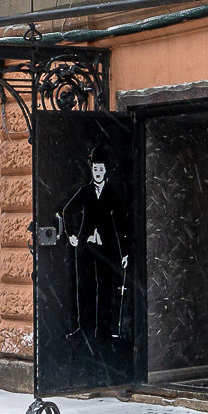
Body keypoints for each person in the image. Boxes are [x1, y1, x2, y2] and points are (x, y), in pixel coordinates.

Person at [59, 146, 130, 342]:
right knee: (85, 288)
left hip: (105, 248)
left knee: (105, 289)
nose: (98, 172)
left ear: (105, 170)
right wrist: (72, 235)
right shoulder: (85, 191)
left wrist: (124, 253)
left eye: (101, 169)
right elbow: (67, 211)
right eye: (95, 169)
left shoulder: (112, 194)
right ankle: (84, 330)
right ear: (91, 170)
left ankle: (103, 332)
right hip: (85, 248)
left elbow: (120, 224)